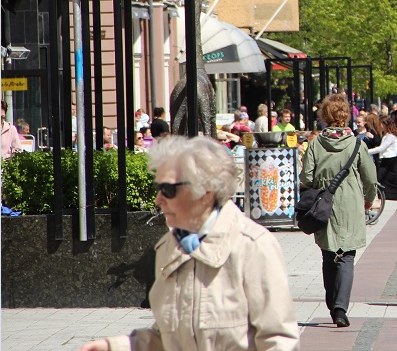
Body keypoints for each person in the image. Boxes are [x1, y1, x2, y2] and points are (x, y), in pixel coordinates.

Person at [76, 136, 299, 351]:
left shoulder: (253, 246)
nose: (158, 199)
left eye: (168, 189)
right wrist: (117, 347)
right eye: (158, 188)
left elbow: (279, 340)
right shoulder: (167, 247)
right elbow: (168, 338)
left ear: (205, 192)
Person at [300, 94, 378, 328]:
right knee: (347, 256)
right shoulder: (356, 144)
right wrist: (368, 199)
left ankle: (332, 302)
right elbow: (371, 178)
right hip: (351, 205)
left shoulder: (315, 143)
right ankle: (340, 307)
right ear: (346, 115)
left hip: (324, 205)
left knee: (328, 253)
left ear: (324, 116)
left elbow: (307, 177)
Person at [369, 117, 397, 212]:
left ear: (386, 125)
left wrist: (366, 151)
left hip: (393, 161)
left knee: (396, 182)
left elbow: (381, 148)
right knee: (379, 180)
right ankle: (380, 202)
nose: (380, 126)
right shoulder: (385, 135)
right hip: (385, 160)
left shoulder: (391, 136)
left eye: (382, 124)